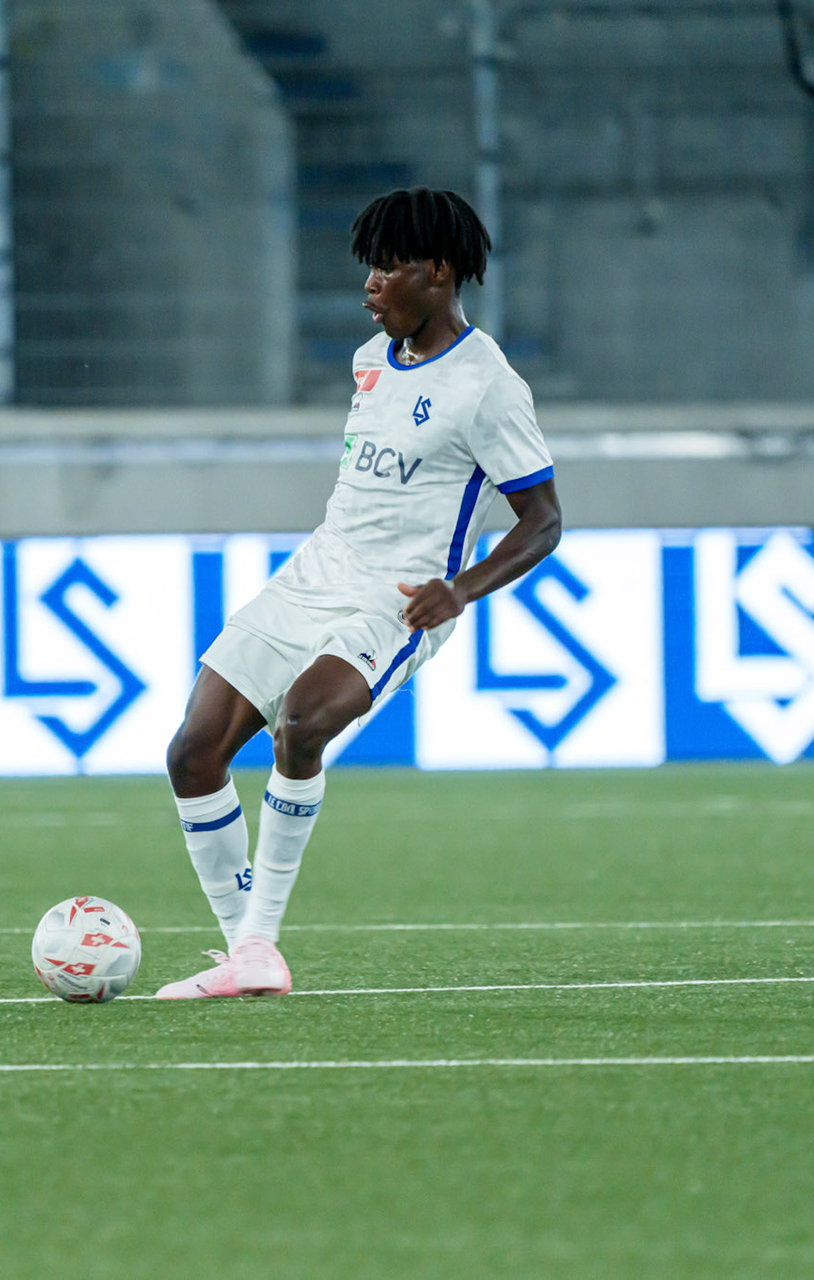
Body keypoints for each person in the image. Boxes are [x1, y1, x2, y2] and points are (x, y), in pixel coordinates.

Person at [157, 188, 562, 997]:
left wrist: (458, 590)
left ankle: (259, 947)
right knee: (192, 752)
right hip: (316, 570)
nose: (370, 285)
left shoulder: (488, 387)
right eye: (369, 269)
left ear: (439, 272)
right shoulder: (371, 362)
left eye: (388, 268)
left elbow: (543, 521)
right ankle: (247, 951)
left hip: (401, 598)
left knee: (301, 724)